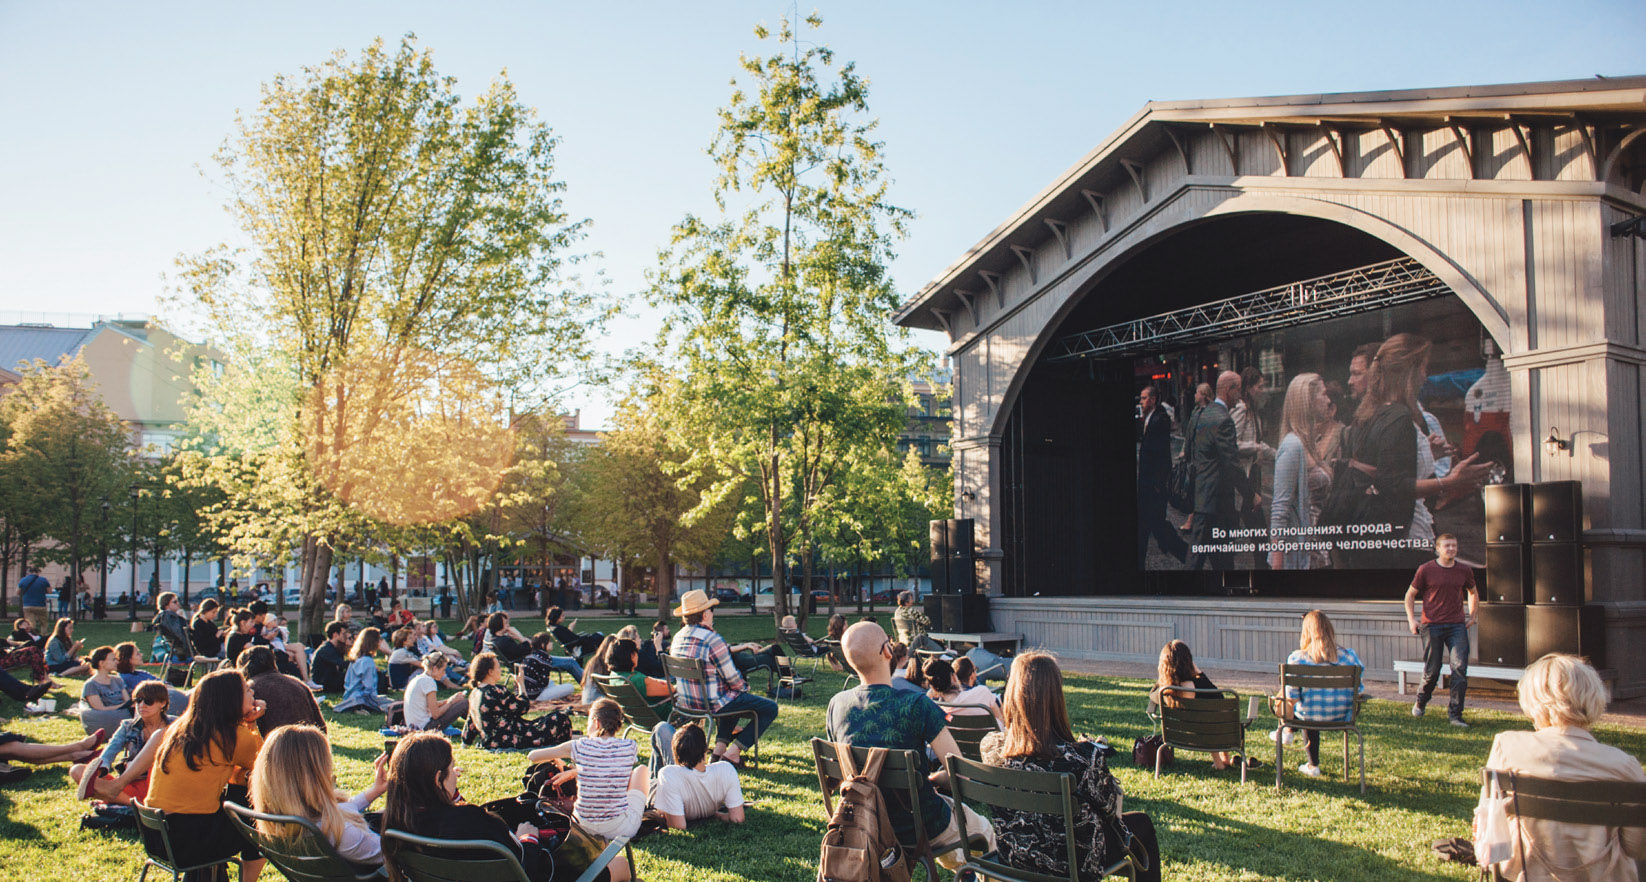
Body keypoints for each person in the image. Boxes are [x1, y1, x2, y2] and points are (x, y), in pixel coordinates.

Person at [825, 621, 996, 871]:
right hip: (917, 825)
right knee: (985, 831)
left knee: (943, 814)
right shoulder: (917, 704)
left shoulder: (836, 705)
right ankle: (965, 870)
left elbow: (839, 773)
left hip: (862, 822)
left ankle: (962, 869)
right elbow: (959, 773)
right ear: (887, 651)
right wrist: (934, 779)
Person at [982, 651, 1160, 882]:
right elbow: (1110, 811)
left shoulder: (991, 749)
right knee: (1143, 824)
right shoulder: (1082, 758)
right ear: (1056, 696)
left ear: (1013, 694)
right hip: (1074, 865)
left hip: (1015, 856)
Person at [1476, 654, 1646, 881]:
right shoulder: (1624, 766)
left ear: (1532, 701)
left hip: (1526, 874)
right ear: (1594, 698)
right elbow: (1637, 846)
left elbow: (1488, 827)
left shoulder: (1507, 748)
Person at [382, 731, 630, 882]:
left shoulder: (396, 824)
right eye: (451, 769)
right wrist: (528, 837)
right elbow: (527, 871)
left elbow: (447, 817)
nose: (455, 774)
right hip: (539, 873)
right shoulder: (474, 821)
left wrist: (446, 792)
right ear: (438, 779)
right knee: (620, 865)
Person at [139, 668, 267, 882]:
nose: (253, 693)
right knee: (259, 819)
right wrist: (252, 723)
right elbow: (263, 767)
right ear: (231, 699)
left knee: (237, 799)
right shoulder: (233, 735)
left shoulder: (180, 728)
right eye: (247, 689)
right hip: (189, 843)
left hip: (158, 836)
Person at [251, 724, 388, 867]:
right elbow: (395, 856)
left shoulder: (290, 822)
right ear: (314, 775)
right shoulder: (342, 834)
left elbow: (339, 810)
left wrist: (374, 791)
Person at [669, 590, 779, 767]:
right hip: (711, 704)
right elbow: (733, 679)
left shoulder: (677, 638)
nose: (713, 614)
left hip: (686, 703)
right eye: (711, 610)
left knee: (730, 697)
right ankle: (732, 754)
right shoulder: (712, 639)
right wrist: (744, 688)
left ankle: (718, 753)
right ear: (705, 614)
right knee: (769, 708)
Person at [527, 698, 649, 843]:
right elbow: (610, 769)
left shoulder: (579, 746)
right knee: (641, 770)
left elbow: (533, 756)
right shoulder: (629, 746)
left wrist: (557, 758)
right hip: (619, 829)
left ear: (596, 722)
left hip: (583, 826)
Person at [1273, 611, 1364, 778]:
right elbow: (1359, 690)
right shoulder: (1350, 656)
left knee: (1300, 707)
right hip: (1343, 717)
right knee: (1309, 709)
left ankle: (1292, 737)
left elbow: (1292, 697)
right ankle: (1289, 735)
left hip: (1309, 717)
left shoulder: (1297, 659)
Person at [1405, 533, 1479, 726]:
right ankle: (1421, 701)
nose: (1451, 549)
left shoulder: (1464, 570)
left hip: (1456, 626)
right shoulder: (1426, 569)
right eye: (1447, 546)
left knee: (1459, 669)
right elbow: (1410, 595)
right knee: (1432, 671)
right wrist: (1412, 620)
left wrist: (1473, 615)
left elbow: (1472, 592)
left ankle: (1455, 715)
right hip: (1432, 626)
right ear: (1438, 549)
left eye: (1454, 545)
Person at [1154, 639, 1253, 771]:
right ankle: (1222, 760)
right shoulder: (1201, 685)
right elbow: (1219, 697)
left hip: (1181, 736)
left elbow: (1152, 696)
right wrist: (1199, 672)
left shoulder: (1165, 691)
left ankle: (1221, 761)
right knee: (1213, 718)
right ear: (1188, 661)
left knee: (1204, 721)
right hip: (1220, 733)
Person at [1269, 373, 1333, 570]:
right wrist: (1277, 568)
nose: (1328, 401)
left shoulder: (1308, 443)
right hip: (1301, 557)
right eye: (1323, 394)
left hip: (1317, 552)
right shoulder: (1292, 445)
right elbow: (1279, 510)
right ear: (1308, 401)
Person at [71, 680, 173, 804]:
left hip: (161, 782)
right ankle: (134, 804)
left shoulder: (176, 725)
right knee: (77, 770)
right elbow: (110, 749)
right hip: (130, 782)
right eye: (138, 701)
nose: (142, 705)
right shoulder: (127, 726)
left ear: (162, 703)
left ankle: (115, 799)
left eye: (148, 701)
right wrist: (100, 770)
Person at [1187, 371, 1247, 570]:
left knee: (1223, 560)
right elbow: (1232, 462)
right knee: (1196, 561)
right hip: (1212, 503)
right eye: (1239, 390)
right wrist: (1250, 494)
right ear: (1229, 390)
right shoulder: (1223, 419)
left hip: (1209, 500)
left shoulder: (1204, 413)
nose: (1240, 395)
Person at [468, 652, 572, 750]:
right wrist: (521, 684)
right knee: (561, 717)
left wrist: (466, 742)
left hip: (490, 741)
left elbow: (471, 722)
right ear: (490, 672)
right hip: (512, 739)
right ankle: (562, 748)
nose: (500, 670)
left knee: (544, 720)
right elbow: (523, 707)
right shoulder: (497, 691)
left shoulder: (474, 693)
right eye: (498, 667)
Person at [652, 722, 745, 830]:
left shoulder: (668, 774)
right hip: (676, 786)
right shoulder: (726, 770)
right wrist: (716, 815)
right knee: (662, 729)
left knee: (662, 728)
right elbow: (737, 818)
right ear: (705, 752)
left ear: (675, 754)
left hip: (658, 791)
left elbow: (678, 826)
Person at [1137, 385, 1189, 566]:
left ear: (1153, 400)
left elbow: (1161, 456)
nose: (1141, 402)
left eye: (1144, 398)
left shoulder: (1160, 419)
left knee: (1155, 526)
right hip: (1148, 485)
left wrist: (1159, 485)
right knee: (1147, 527)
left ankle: (1186, 555)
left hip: (1153, 487)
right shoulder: (1151, 418)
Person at [603, 638, 675, 762]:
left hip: (636, 718)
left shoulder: (614, 677)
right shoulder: (636, 680)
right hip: (659, 715)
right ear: (631, 656)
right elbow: (670, 689)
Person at [239, 645, 327, 736]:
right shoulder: (297, 683)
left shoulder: (249, 690)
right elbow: (320, 725)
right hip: (308, 739)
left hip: (275, 742)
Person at [1177, 382, 1214, 534]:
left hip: (1205, 460)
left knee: (1200, 491)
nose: (1194, 395)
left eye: (1197, 392)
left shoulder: (1210, 412)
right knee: (1194, 490)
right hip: (1194, 458)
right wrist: (1184, 451)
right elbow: (1189, 434)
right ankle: (1194, 521)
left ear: (1203, 395)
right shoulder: (1196, 411)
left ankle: (1193, 522)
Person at [404, 652, 469, 732]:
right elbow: (436, 714)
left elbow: (429, 705)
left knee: (458, 703)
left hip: (415, 726)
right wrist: (451, 702)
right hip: (425, 728)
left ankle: (473, 727)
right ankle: (476, 728)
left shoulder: (418, 679)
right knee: (465, 703)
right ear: (435, 668)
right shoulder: (428, 681)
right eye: (443, 670)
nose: (444, 674)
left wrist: (451, 700)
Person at [925, 657, 1001, 721]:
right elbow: (1000, 719)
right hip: (988, 733)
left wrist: (929, 694)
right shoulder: (982, 692)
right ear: (954, 677)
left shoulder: (939, 710)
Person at [336, 627, 391, 715]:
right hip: (363, 697)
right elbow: (369, 686)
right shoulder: (367, 661)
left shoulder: (356, 658)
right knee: (391, 704)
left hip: (350, 696)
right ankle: (361, 707)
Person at [521, 632, 582, 702]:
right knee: (570, 687)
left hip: (525, 692)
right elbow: (544, 682)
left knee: (551, 682)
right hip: (534, 696)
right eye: (549, 641)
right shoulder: (544, 658)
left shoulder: (532, 655)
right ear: (543, 644)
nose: (552, 643)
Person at [151, 591, 197, 668]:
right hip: (179, 655)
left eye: (177, 601)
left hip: (171, 654)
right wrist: (192, 652)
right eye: (175, 602)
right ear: (166, 605)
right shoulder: (171, 617)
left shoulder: (162, 617)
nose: (178, 603)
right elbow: (182, 635)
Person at [310, 621, 351, 694]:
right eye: (344, 633)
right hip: (324, 683)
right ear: (335, 635)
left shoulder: (335, 647)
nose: (346, 636)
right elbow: (344, 664)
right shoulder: (326, 649)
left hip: (331, 678)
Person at [19, 565, 50, 634]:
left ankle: (32, 636)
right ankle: (44, 636)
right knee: (44, 623)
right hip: (41, 605)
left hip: (27, 605)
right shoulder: (43, 580)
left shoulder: (23, 580)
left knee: (31, 624)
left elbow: (17, 592)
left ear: (29, 572)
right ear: (38, 572)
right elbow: (49, 591)